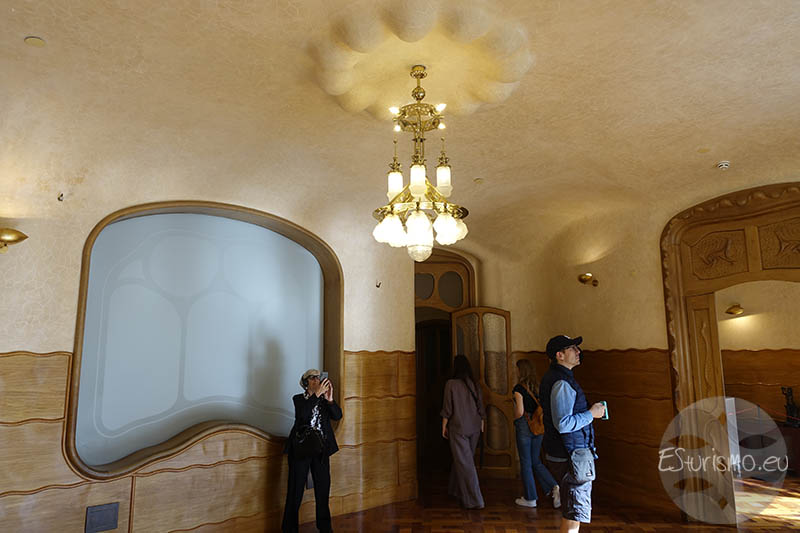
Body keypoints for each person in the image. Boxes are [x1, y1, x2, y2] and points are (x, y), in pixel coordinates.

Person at [539, 335, 606, 533]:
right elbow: (563, 424)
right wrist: (592, 414)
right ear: (559, 355)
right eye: (572, 348)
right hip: (570, 455)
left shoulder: (558, 378)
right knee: (573, 515)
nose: (578, 352)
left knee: (572, 514)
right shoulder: (561, 383)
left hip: (567, 453)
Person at [282, 369, 342, 533]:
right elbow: (303, 415)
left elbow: (337, 416)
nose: (317, 379)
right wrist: (316, 395)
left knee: (323, 490)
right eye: (313, 377)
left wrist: (330, 400)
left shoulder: (323, 401)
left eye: (318, 377)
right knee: (295, 492)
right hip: (300, 450)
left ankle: (325, 528)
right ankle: (289, 529)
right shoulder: (299, 399)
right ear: (305, 382)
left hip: (321, 451)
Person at [512, 359, 560, 509]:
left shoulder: (518, 388)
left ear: (520, 371)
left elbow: (520, 412)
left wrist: (514, 418)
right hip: (539, 426)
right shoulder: (538, 387)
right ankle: (554, 486)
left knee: (526, 463)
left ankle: (530, 498)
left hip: (524, 427)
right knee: (536, 461)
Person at [441, 355, 486, 509]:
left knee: (465, 463)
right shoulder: (475, 384)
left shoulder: (451, 384)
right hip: (475, 427)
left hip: (459, 427)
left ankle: (475, 500)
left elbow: (447, 408)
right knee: (464, 460)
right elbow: (481, 407)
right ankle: (455, 490)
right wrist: (482, 424)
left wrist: (444, 425)